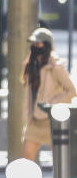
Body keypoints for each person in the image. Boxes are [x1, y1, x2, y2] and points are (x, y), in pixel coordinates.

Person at [21, 27, 76, 162]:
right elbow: (29, 94)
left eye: (38, 43)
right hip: (35, 121)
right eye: (33, 43)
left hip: (53, 121)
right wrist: (27, 115)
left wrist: (52, 103)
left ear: (47, 45)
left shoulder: (56, 66)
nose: (35, 46)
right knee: (27, 158)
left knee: (61, 161)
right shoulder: (31, 65)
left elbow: (72, 91)